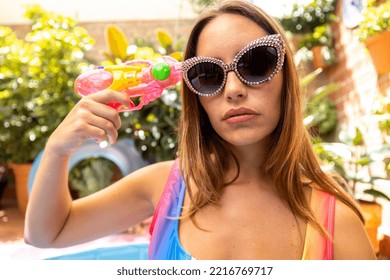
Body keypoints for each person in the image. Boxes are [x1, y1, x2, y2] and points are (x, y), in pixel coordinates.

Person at [24, 0, 376, 260]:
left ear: (286, 80)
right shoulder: (165, 187)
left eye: (256, 63)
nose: (234, 89)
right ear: (196, 95)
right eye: (209, 74)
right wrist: (58, 149)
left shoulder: (337, 224)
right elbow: (46, 235)